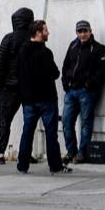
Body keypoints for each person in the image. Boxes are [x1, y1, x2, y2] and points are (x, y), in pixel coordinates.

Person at [16, 20, 69, 174]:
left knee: (27, 132)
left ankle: (22, 165)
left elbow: (19, 73)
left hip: (28, 99)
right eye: (46, 30)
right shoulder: (45, 52)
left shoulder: (23, 50)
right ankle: (55, 166)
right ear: (38, 32)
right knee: (51, 134)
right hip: (46, 98)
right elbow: (55, 73)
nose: (48, 33)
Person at [61, 19, 105, 164]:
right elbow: (65, 66)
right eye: (79, 31)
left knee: (86, 124)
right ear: (76, 33)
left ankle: (82, 153)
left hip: (87, 93)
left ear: (90, 31)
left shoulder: (99, 48)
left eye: (85, 31)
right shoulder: (72, 45)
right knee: (66, 122)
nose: (82, 34)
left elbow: (103, 71)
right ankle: (71, 152)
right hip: (71, 91)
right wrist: (66, 84)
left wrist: (89, 85)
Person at [0, 7, 33, 164]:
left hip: (9, 87)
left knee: (5, 121)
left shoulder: (8, 39)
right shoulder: (31, 39)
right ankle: (26, 153)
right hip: (28, 87)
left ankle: (1, 153)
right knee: (29, 121)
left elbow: (1, 62)